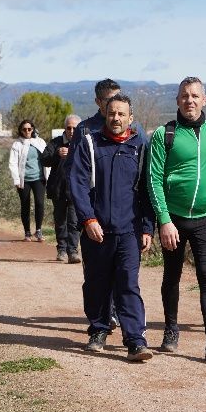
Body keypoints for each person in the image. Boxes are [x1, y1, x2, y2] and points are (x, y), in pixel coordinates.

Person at [147, 76, 206, 361]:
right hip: (174, 218)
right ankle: (171, 331)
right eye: (185, 96)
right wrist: (163, 220)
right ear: (177, 100)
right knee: (171, 276)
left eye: (195, 96)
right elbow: (154, 180)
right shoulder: (164, 134)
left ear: (204, 100)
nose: (190, 100)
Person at [69, 93, 155, 361]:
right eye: (111, 113)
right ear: (104, 115)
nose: (115, 118)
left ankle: (135, 340)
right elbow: (78, 184)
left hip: (129, 230)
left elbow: (147, 190)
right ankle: (98, 330)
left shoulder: (141, 146)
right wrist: (88, 219)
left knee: (128, 284)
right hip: (97, 230)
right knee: (96, 283)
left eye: (121, 114)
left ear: (131, 118)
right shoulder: (89, 144)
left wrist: (147, 228)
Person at [41, 114, 82, 263]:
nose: (71, 131)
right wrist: (57, 155)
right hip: (58, 189)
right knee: (60, 221)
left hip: (76, 190)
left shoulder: (83, 143)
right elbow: (44, 160)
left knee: (74, 222)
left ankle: (73, 251)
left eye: (74, 128)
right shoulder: (55, 143)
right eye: (69, 128)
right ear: (65, 128)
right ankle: (62, 250)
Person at [9, 120, 48, 242]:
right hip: (24, 179)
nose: (27, 131)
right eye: (24, 129)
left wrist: (49, 176)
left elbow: (48, 158)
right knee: (25, 204)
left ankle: (39, 230)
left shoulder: (40, 142)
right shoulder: (17, 144)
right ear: (20, 131)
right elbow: (13, 163)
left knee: (40, 203)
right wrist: (16, 179)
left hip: (39, 178)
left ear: (33, 129)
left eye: (29, 129)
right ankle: (27, 232)